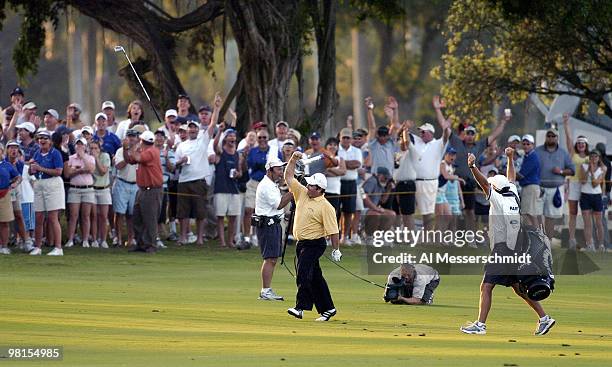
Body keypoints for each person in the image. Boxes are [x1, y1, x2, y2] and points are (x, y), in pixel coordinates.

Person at [460, 147, 556, 336]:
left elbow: (484, 185)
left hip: (502, 250)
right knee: (518, 289)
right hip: (516, 248)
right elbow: (511, 177)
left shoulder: (497, 198)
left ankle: (480, 325)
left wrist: (472, 166)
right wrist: (510, 157)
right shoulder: (513, 192)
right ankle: (545, 318)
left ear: (495, 187)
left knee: (486, 286)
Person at [433, 96, 509, 231]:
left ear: (475, 136)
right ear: (464, 134)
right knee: (453, 210)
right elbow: (444, 126)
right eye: (468, 133)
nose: (469, 136)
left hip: (469, 183)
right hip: (454, 182)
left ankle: (471, 238)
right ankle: (451, 237)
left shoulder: (479, 146)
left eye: (472, 134)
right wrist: (438, 110)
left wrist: (503, 122)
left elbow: (495, 135)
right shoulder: (457, 142)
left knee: (470, 212)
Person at [284, 151, 342, 321]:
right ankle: (328, 309)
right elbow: (288, 176)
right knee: (315, 277)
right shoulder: (302, 192)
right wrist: (293, 159)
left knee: (303, 274)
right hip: (301, 244)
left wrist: (336, 249)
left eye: (311, 186)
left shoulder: (326, 207)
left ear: (320, 190)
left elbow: (333, 231)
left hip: (315, 244)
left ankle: (300, 307)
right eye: (308, 184)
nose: (308, 187)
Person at [174, 94, 218, 245]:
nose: (192, 130)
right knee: (182, 212)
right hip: (184, 180)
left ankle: (199, 238)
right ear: (186, 130)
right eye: (190, 128)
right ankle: (183, 237)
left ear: (198, 130)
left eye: (194, 128)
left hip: (199, 181)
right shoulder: (181, 145)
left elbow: (212, 126)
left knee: (200, 212)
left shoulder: (203, 141)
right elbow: (175, 164)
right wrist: (181, 161)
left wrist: (217, 108)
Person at [255, 159, 293, 300]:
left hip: (273, 224)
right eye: (278, 169)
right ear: (269, 170)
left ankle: (266, 290)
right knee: (270, 258)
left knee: (272, 258)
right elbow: (279, 204)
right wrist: (294, 190)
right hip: (268, 225)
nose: (281, 172)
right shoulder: (266, 185)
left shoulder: (272, 185)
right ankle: (265, 291)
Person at [123, 130, 164, 253]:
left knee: (150, 218)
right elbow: (130, 160)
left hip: (152, 190)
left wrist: (133, 147)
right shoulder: (146, 151)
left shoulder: (151, 151)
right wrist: (125, 149)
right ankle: (141, 243)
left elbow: (137, 158)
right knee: (138, 217)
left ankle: (151, 244)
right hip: (142, 189)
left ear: (143, 141)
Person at [29, 130, 65, 256]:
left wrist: (40, 168)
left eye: (45, 138)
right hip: (39, 184)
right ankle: (38, 247)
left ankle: (58, 248)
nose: (42, 140)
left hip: (53, 184)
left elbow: (59, 171)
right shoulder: (37, 153)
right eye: (39, 138)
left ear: (50, 141)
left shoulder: (55, 154)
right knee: (38, 217)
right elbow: (31, 172)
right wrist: (32, 169)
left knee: (52, 217)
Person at [536, 127, 575, 238]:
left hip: (556, 190)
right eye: (549, 136)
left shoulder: (563, 153)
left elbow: (572, 171)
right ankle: (539, 239)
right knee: (536, 215)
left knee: (550, 217)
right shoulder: (537, 151)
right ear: (546, 137)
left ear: (557, 138)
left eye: (553, 136)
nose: (551, 138)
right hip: (539, 188)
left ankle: (548, 241)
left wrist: (561, 171)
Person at [411, 121, 450, 230]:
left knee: (427, 212)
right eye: (420, 132)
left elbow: (446, 137)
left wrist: (445, 129)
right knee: (411, 210)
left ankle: (427, 237)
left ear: (431, 133)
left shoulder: (438, 144)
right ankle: (413, 235)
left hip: (430, 182)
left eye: (423, 132)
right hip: (414, 181)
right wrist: (394, 115)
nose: (421, 134)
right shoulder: (417, 141)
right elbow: (401, 131)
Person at [212, 127, 243, 248]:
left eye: (234, 136)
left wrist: (238, 174)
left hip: (233, 189)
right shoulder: (220, 153)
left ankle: (230, 241)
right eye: (229, 136)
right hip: (221, 189)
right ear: (225, 139)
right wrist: (219, 131)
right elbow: (215, 145)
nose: (232, 138)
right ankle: (222, 242)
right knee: (220, 217)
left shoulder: (237, 155)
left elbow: (240, 172)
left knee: (233, 217)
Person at [562, 113, 589, 249]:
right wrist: (566, 124)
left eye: (582, 143)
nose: (580, 145)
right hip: (573, 184)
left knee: (586, 214)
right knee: (572, 213)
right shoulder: (573, 154)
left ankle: (588, 241)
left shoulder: (591, 157)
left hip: (586, 187)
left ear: (586, 145)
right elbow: (568, 139)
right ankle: (572, 240)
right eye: (578, 143)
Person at [64, 138, 96, 248]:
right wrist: (81, 170)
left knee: (86, 215)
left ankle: (85, 240)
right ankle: (70, 239)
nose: (79, 147)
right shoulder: (71, 158)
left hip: (87, 189)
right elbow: (68, 174)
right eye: (77, 145)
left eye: (81, 145)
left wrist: (82, 158)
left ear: (85, 146)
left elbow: (91, 169)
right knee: (73, 216)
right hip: (74, 188)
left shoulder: (90, 158)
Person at [113, 128, 141, 247]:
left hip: (135, 184)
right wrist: (127, 155)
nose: (131, 139)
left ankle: (131, 238)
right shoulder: (120, 151)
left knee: (131, 214)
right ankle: (117, 238)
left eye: (133, 136)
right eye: (129, 136)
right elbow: (119, 166)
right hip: (122, 183)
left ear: (137, 138)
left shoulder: (140, 151)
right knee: (119, 213)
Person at [337, 127, 363, 244]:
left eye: (348, 138)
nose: (346, 140)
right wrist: (348, 164)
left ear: (351, 139)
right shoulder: (336, 149)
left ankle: (344, 237)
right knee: (335, 211)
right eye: (344, 138)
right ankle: (332, 237)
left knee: (348, 211)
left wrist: (340, 163)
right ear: (340, 138)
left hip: (351, 183)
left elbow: (357, 164)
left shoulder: (356, 151)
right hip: (337, 182)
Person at [579, 150, 606, 252]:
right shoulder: (583, 166)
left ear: (599, 158)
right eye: (591, 156)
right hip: (585, 196)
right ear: (589, 158)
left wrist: (592, 172)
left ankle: (601, 245)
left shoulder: (602, 169)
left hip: (596, 197)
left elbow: (595, 184)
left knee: (599, 223)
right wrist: (588, 170)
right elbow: (583, 181)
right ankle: (590, 245)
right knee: (587, 223)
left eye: (595, 156)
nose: (593, 158)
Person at [153, 129, 175, 248]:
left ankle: (159, 237)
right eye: (157, 136)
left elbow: (172, 168)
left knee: (161, 214)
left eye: (162, 137)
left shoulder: (169, 153)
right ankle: (156, 237)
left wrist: (166, 158)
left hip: (163, 186)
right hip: (151, 187)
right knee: (154, 213)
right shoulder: (150, 151)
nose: (159, 139)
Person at [89, 140, 111, 249]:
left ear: (99, 148)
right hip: (92, 189)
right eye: (91, 148)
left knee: (103, 216)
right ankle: (94, 239)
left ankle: (103, 240)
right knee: (94, 216)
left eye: (95, 148)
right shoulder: (88, 158)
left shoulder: (105, 156)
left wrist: (96, 158)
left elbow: (103, 171)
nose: (93, 150)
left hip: (104, 189)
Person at [0, 144, 21, 255]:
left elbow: (18, 177)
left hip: (4, 195)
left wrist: (15, 184)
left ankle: (4, 246)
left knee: (4, 222)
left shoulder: (7, 165)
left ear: (2, 152)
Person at [363, 167, 396, 234]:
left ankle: (380, 235)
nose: (386, 180)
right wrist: (376, 208)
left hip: (372, 209)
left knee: (392, 214)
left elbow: (383, 201)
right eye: (385, 178)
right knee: (375, 214)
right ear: (380, 175)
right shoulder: (372, 181)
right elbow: (364, 197)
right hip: (363, 209)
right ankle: (369, 237)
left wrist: (388, 189)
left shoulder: (380, 184)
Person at [517, 134, 541, 227]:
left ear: (533, 145)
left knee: (529, 214)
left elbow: (521, 175)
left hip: (531, 187)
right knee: (527, 214)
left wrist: (507, 173)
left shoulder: (533, 157)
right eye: (524, 144)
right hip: (528, 188)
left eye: (528, 144)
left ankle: (536, 238)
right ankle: (533, 237)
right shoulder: (527, 156)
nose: (526, 146)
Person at [323, 137, 346, 217]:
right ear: (326, 146)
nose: (332, 146)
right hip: (322, 191)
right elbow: (323, 173)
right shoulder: (322, 158)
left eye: (335, 145)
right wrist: (335, 172)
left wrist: (329, 169)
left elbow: (343, 172)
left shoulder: (340, 159)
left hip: (335, 191)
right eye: (330, 144)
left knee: (333, 215)